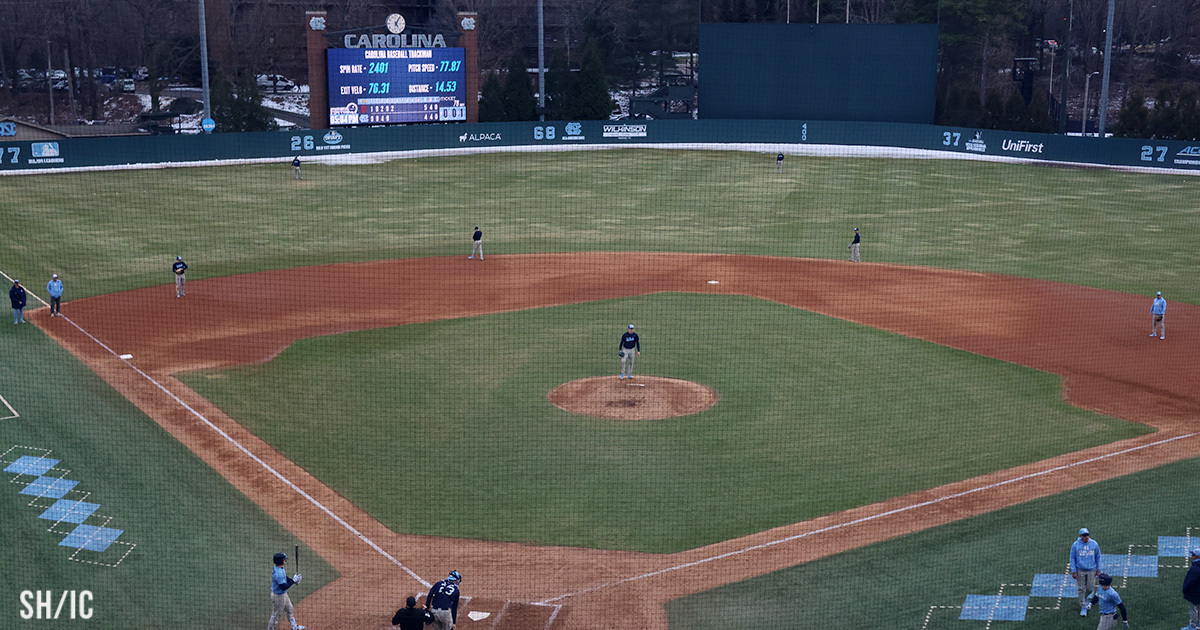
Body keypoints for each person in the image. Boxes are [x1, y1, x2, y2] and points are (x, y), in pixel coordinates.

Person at [268, 552, 305, 630]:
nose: (285, 560)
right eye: (284, 559)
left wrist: (292, 580)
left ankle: (294, 627)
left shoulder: (279, 568)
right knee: (276, 615)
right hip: (278, 597)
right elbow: (283, 587)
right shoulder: (278, 573)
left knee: (290, 609)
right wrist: (293, 581)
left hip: (282, 594)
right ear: (280, 561)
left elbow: (285, 577)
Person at [1072, 527, 1103, 617]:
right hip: (1080, 570)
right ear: (1080, 536)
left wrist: (1098, 569)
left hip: (1091, 569)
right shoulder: (1075, 545)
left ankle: (1084, 598)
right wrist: (1074, 571)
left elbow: (1098, 556)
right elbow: (1072, 558)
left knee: (1090, 588)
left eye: (1087, 535)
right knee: (1081, 588)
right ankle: (1083, 606)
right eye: (1084, 535)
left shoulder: (1094, 544)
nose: (1086, 537)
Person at [1182, 548, 1200, 630]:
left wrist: (1185, 589)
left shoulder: (1195, 568)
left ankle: (1192, 626)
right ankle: (1198, 624)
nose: (1191, 556)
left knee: (1193, 610)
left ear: (1197, 556)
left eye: (1193, 554)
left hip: (1194, 594)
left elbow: (1190, 582)